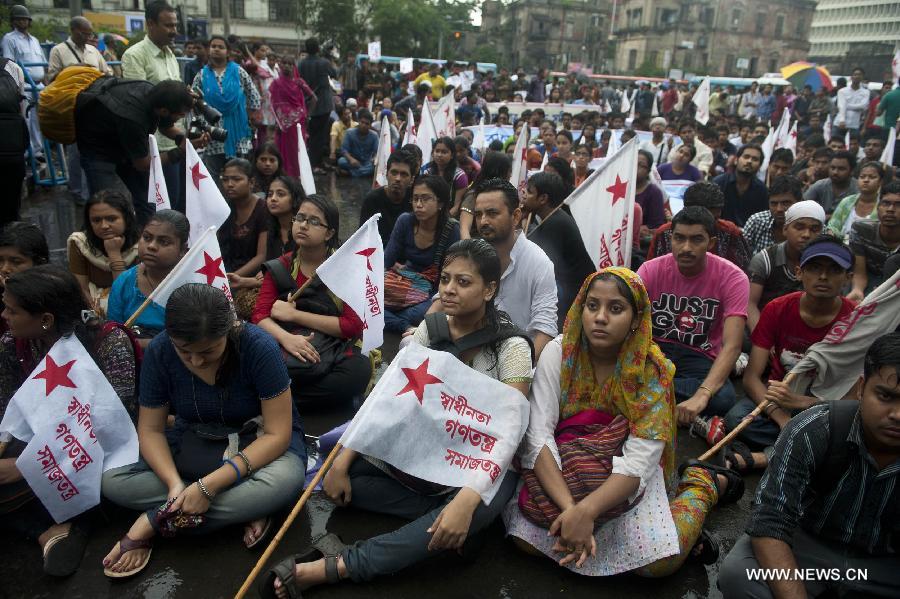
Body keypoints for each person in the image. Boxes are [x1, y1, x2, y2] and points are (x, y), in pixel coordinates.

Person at [262, 239, 533, 597]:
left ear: (490, 289)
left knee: (475, 507)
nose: (449, 289)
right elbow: (388, 401)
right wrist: (343, 460)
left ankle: (340, 566)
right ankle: (450, 525)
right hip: (427, 448)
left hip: (481, 466)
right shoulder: (431, 330)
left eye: (464, 282)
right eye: (446, 279)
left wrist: (467, 500)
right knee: (342, 481)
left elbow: (508, 432)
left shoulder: (510, 347)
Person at [504, 267, 744, 576]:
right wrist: (571, 511)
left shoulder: (651, 370)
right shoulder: (560, 352)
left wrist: (588, 510)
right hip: (566, 467)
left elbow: (639, 460)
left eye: (615, 308)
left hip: (620, 478)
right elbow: (537, 435)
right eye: (592, 305)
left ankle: (702, 483)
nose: (600, 317)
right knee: (525, 542)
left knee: (660, 565)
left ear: (635, 319)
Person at [100, 283, 305, 578]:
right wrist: (173, 485)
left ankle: (157, 520)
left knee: (286, 480)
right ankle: (225, 506)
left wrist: (208, 487)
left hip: (255, 442)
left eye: (208, 351)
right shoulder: (160, 350)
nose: (196, 361)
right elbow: (151, 429)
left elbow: (277, 435)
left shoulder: (259, 347)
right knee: (112, 479)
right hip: (192, 440)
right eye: (184, 352)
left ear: (229, 329)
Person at [718, 332, 900, 599]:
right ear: (861, 388)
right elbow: (770, 521)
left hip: (883, 566)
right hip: (809, 553)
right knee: (740, 574)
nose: (897, 415)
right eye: (885, 396)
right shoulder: (814, 428)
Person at [0, 265, 138, 576]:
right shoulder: (13, 346)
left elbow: (111, 428)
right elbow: (9, 413)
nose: (5, 316)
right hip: (35, 445)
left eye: (12, 310)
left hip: (92, 452)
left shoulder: (108, 343)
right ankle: (54, 529)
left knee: (105, 484)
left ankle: (58, 525)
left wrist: (25, 467)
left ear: (45, 320)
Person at [725, 236, 856, 473]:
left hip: (824, 404)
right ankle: (800, 449)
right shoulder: (777, 308)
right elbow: (752, 378)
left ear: (848, 277)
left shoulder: (856, 321)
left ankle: (766, 457)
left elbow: (856, 398)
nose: (823, 277)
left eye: (834, 270)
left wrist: (803, 403)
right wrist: (781, 417)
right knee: (737, 420)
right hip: (778, 398)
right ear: (799, 272)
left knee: (850, 431)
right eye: (815, 268)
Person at [252, 194, 371, 409]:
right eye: (300, 218)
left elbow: (352, 326)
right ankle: (285, 399)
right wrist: (288, 339)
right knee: (252, 355)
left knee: (357, 372)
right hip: (287, 345)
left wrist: (295, 315)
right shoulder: (280, 266)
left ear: (330, 233)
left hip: (332, 346)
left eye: (314, 221)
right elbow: (259, 316)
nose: (303, 225)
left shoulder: (346, 269)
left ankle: (276, 400)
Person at [638, 206, 748, 424]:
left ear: (712, 243)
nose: (686, 247)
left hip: (700, 356)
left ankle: (645, 399)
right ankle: (674, 411)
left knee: (723, 398)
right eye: (679, 238)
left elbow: (733, 345)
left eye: (696, 239)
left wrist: (702, 395)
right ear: (672, 239)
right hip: (654, 350)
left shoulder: (734, 278)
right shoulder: (650, 270)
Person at [430, 178, 558, 359]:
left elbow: (545, 329)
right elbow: (441, 300)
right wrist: (421, 334)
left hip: (516, 357)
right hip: (468, 348)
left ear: (515, 216)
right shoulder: (470, 254)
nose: (483, 221)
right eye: (478, 214)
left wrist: (519, 371)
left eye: (492, 213)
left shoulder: (539, 263)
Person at [74, 78, 194, 225]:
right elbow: (142, 164)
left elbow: (165, 126)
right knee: (105, 207)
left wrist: (185, 140)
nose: (181, 118)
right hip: (98, 149)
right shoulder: (134, 118)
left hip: (123, 142)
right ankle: (92, 243)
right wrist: (180, 152)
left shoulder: (153, 94)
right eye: (181, 115)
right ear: (164, 110)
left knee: (148, 201)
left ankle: (145, 241)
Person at [121, 1, 184, 211]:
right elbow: (138, 104)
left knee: (174, 206)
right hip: (150, 149)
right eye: (168, 26)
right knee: (154, 210)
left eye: (175, 25)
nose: (173, 31)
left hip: (173, 143)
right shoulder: (134, 56)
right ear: (150, 24)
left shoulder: (171, 55)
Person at [384, 175, 460, 334]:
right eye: (415, 199)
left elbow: (450, 276)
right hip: (402, 282)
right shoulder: (405, 221)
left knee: (419, 315)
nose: (418, 205)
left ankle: (395, 320)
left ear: (440, 203)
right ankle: (405, 327)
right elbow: (386, 260)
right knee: (366, 302)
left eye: (425, 199)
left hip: (431, 289)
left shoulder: (451, 230)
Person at [522, 172, 594, 329]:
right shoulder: (549, 217)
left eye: (529, 191)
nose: (524, 195)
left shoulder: (557, 223)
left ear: (543, 199)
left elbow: (533, 259)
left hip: (570, 295)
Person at [107, 210, 188, 343]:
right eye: (147, 237)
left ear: (183, 250)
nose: (151, 246)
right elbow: (113, 334)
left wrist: (143, 344)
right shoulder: (124, 281)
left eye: (164, 242)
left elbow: (193, 339)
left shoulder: (192, 286)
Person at [746, 201, 826, 331]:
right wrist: (762, 337)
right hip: (767, 327)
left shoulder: (827, 262)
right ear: (785, 229)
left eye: (814, 229)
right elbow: (750, 305)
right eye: (799, 227)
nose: (806, 234)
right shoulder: (765, 260)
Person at [192, 36, 261, 181]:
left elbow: (254, 97)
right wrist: (202, 124)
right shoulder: (202, 75)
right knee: (212, 177)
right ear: (208, 50)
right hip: (212, 134)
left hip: (238, 134)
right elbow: (194, 102)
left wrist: (246, 118)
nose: (216, 49)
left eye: (221, 47)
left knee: (238, 175)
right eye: (213, 46)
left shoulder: (238, 72)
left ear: (228, 52)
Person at [648, 181, 753, 271]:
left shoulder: (730, 232)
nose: (709, 226)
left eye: (715, 219)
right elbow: (651, 272)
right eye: (680, 238)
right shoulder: (664, 234)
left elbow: (743, 273)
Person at [68, 190, 140, 316]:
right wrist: (94, 314)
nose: (104, 226)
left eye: (111, 219)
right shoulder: (80, 243)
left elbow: (124, 293)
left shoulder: (141, 245)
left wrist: (114, 253)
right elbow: (81, 288)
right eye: (96, 220)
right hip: (93, 306)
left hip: (130, 304)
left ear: (126, 218)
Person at [217, 159, 268, 318]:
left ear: (251, 182)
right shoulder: (223, 207)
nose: (230, 184)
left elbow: (261, 256)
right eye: (226, 179)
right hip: (227, 271)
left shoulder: (263, 209)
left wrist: (231, 279)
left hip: (250, 276)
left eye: (236, 179)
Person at [1, 5, 44, 157]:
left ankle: (38, 152)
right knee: (26, 119)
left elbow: (42, 63)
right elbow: (9, 63)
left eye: (25, 19)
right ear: (13, 21)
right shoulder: (9, 39)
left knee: (38, 121)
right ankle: (28, 152)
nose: (22, 22)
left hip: (39, 85)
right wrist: (17, 86)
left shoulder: (35, 40)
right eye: (19, 19)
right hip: (24, 84)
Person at [848, 180, 900, 300]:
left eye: (898, 205)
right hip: (869, 279)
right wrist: (857, 290)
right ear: (878, 207)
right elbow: (859, 272)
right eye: (885, 203)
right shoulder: (861, 229)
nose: (890, 209)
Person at [0, 221, 48, 336]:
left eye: (16, 262)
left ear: (40, 264)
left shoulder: (55, 295)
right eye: (0, 260)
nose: (5, 269)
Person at [269, 55, 314, 178]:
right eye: (285, 63)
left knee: (296, 150)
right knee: (281, 149)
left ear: (294, 66)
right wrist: (279, 121)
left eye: (290, 64)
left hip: (297, 123)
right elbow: (273, 102)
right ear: (281, 65)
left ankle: (297, 176)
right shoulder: (276, 83)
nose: (287, 66)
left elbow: (314, 98)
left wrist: (307, 114)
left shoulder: (299, 82)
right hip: (283, 124)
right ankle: (283, 175)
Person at [360, 149, 415, 245]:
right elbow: (363, 236)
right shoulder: (372, 200)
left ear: (412, 179)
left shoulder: (415, 200)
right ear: (386, 174)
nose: (398, 179)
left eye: (404, 174)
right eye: (394, 173)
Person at [298, 38, 337, 172]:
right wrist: (329, 59)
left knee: (312, 135)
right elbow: (334, 74)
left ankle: (316, 162)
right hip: (323, 103)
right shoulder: (324, 62)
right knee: (319, 136)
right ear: (318, 49)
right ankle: (315, 164)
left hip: (308, 102)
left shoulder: (301, 64)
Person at [742, 175, 802, 255]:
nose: (779, 209)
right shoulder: (756, 221)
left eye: (785, 203)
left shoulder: (811, 226)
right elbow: (741, 253)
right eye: (774, 203)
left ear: (799, 202)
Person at [459, 151, 512, 239]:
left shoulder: (503, 195)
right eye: (509, 171)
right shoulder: (473, 196)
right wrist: (470, 251)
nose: (510, 175)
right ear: (499, 172)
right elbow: (464, 229)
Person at [827, 161, 884, 242]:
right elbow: (833, 227)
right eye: (862, 177)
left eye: (872, 177)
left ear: (880, 182)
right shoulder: (847, 201)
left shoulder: (883, 205)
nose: (866, 180)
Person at [713, 144, 767, 228]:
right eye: (746, 157)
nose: (749, 161)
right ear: (736, 160)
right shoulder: (718, 183)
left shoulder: (762, 190)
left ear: (759, 166)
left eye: (755, 159)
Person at [803, 150, 859, 215]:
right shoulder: (821, 185)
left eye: (841, 169)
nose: (835, 172)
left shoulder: (858, 189)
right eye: (832, 168)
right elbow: (802, 205)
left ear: (852, 171)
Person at [423, 136, 468, 215]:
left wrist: (443, 219)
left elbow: (457, 206)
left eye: (444, 152)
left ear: (452, 155)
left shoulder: (460, 176)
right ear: (432, 153)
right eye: (437, 151)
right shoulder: (427, 173)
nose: (439, 155)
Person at [337, 109, 377, 178]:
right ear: (358, 121)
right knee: (341, 161)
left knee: (375, 166)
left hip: (367, 162)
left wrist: (374, 159)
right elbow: (344, 150)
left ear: (370, 125)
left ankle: (351, 173)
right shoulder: (349, 132)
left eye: (367, 124)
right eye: (362, 122)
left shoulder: (374, 135)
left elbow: (377, 152)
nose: (364, 125)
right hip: (353, 161)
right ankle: (363, 173)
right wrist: (351, 159)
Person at [635, 149, 666, 232]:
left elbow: (657, 226)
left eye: (642, 166)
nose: (636, 168)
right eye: (634, 163)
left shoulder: (654, 193)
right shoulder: (620, 187)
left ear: (648, 171)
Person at [836, 67, 870, 134]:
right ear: (851, 77)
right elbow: (841, 106)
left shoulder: (866, 92)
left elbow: (863, 106)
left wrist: (847, 105)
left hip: (854, 125)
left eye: (859, 74)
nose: (857, 76)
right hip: (839, 123)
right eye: (855, 74)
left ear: (862, 77)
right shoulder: (842, 91)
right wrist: (842, 120)